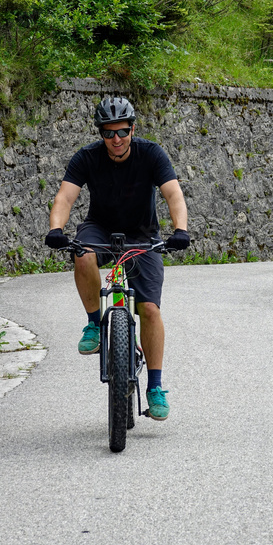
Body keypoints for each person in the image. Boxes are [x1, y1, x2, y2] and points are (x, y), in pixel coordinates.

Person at [44, 96, 189, 421]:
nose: (116, 139)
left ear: (132, 129)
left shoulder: (151, 154)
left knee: (149, 309)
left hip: (143, 235)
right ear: (101, 134)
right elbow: (65, 196)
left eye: (122, 131)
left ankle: (155, 387)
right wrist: (56, 228)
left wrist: (180, 229)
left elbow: (173, 193)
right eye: (109, 133)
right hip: (101, 230)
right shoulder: (87, 157)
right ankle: (95, 325)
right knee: (82, 256)